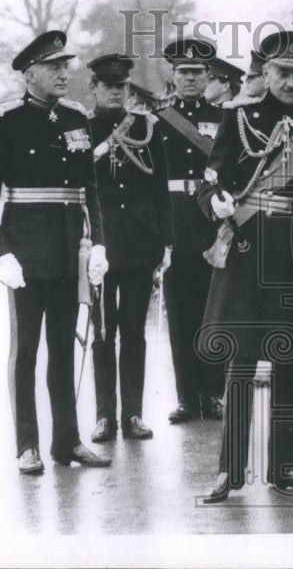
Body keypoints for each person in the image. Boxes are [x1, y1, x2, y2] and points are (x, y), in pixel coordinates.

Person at [197, 30, 293, 503]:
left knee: (287, 360)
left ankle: (283, 468)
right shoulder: (239, 117)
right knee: (241, 361)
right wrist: (214, 203)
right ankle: (229, 471)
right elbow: (213, 177)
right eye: (284, 73)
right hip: (246, 246)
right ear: (265, 73)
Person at [0, 30, 111, 474]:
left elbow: (90, 189)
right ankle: (26, 446)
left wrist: (100, 243)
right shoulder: (2, 119)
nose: (63, 74)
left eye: (66, 66)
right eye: (53, 67)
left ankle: (66, 442)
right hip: (24, 255)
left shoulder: (75, 117)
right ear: (30, 73)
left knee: (64, 352)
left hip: (70, 251)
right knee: (26, 351)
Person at [86, 54, 174, 442]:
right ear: (94, 88)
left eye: (121, 86)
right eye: (108, 86)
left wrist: (166, 242)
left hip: (141, 244)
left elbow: (160, 189)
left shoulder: (147, 127)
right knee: (104, 333)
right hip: (102, 248)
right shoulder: (82, 129)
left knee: (134, 333)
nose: (115, 92)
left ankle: (133, 414)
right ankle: (105, 415)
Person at [156, 38, 226, 424]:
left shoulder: (224, 119)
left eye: (197, 72)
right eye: (183, 72)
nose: (189, 78)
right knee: (179, 314)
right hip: (174, 223)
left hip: (212, 223)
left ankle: (213, 392)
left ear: (208, 76)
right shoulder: (158, 120)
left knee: (211, 312)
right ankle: (186, 397)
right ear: (173, 74)